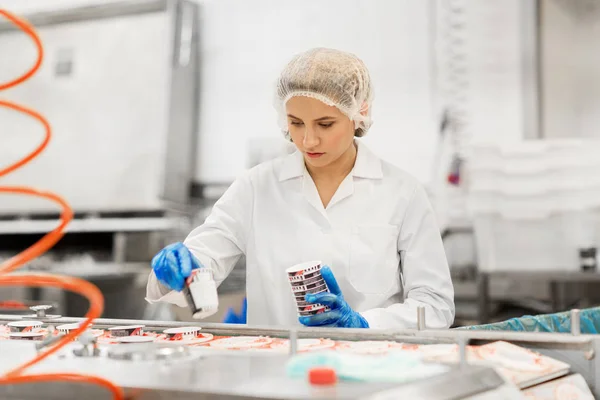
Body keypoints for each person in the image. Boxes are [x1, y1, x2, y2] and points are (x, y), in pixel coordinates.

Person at [146, 48, 454, 329]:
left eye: (325, 124)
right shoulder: (256, 187)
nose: (308, 140)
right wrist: (181, 270)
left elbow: (435, 306)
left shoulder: (402, 192)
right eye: (295, 123)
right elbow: (203, 261)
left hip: (369, 373)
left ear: (358, 113)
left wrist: (362, 324)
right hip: (274, 371)